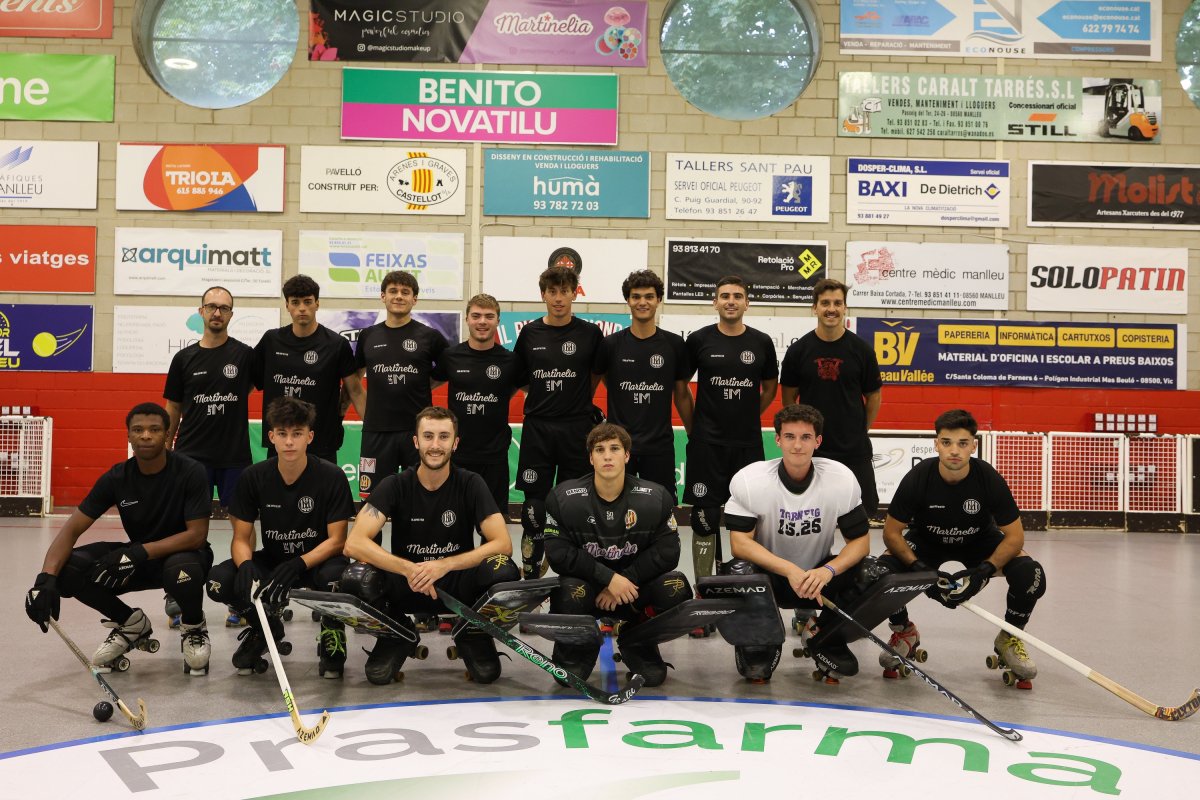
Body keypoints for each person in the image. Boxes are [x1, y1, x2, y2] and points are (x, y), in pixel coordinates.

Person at [24, 403, 214, 675]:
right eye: (138, 430)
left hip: (184, 556)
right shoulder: (116, 477)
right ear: (128, 435)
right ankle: (130, 622)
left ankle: (194, 627)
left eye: (154, 430)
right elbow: (71, 530)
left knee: (184, 570)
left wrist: (138, 553)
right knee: (67, 571)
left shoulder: (190, 471)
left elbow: (196, 536)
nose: (146, 435)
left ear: (168, 434)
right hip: (139, 558)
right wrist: (45, 579)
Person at [341, 406, 520, 685]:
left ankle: (472, 633)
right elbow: (353, 544)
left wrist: (444, 565)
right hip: (408, 582)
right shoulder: (395, 484)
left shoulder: (471, 483)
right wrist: (408, 569)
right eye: (428, 436)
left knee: (503, 570)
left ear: (455, 443)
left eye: (443, 437)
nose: (435, 445)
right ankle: (397, 633)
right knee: (354, 578)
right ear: (416, 442)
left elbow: (503, 543)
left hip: (455, 585)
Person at [877, 409, 1047, 685]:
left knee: (1032, 576)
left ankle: (1010, 635)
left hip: (978, 541)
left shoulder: (987, 478)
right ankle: (903, 630)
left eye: (962, 443)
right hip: (927, 542)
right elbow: (892, 534)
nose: (954, 450)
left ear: (974, 446)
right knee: (878, 572)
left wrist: (982, 572)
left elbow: (1015, 536)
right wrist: (921, 571)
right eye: (946, 442)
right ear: (936, 444)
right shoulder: (919, 477)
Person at [206, 397, 355, 677]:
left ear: (309, 437)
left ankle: (331, 632)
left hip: (317, 562)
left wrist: (299, 563)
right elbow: (240, 538)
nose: (289, 442)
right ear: (271, 436)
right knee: (218, 581)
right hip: (273, 560)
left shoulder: (331, 476)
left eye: (297, 434)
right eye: (283, 434)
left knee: (339, 578)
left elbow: (337, 540)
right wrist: (245, 565)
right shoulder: (254, 477)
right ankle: (265, 628)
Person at [723, 404, 872, 680]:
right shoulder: (750, 480)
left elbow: (861, 543)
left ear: (818, 441)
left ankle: (826, 634)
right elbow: (740, 544)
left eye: (806, 437)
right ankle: (760, 641)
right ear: (777, 439)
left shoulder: (841, 479)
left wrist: (828, 571)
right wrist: (789, 570)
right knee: (738, 571)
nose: (797, 445)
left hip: (818, 578)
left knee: (870, 571)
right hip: (773, 578)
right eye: (790, 436)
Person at [543, 423, 689, 686]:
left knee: (676, 586)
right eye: (599, 450)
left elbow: (669, 552)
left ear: (627, 455)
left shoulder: (655, 497)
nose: (607, 456)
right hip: (586, 590)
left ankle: (638, 640)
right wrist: (609, 578)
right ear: (590, 458)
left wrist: (625, 579)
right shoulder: (564, 497)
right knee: (567, 591)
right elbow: (558, 554)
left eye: (614, 449)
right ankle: (579, 645)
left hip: (633, 591)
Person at [163, 286, 257, 629]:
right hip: (191, 457)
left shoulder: (245, 356)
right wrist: (166, 451)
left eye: (224, 308)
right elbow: (173, 408)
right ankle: (179, 592)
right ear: (200, 311)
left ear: (231, 315)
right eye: (211, 307)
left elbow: (250, 388)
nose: (217, 313)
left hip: (234, 457)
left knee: (243, 527)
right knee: (188, 530)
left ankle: (244, 597)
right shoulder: (183, 359)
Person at [683, 275, 778, 590]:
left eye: (738, 296)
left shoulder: (761, 342)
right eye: (724, 296)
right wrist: (695, 429)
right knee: (704, 518)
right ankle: (703, 590)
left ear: (747, 303)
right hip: (707, 444)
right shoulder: (698, 340)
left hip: (747, 445)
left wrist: (748, 415)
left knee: (751, 519)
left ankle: (749, 585)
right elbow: (680, 389)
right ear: (715, 302)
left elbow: (769, 388)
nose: (731, 301)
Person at [513, 265, 604, 579]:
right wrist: (544, 394)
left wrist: (577, 399)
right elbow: (521, 378)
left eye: (565, 291)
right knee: (533, 509)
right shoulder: (529, 333)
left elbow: (594, 375)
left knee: (574, 508)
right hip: (538, 428)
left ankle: (573, 580)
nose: (559, 298)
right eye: (552, 291)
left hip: (576, 429)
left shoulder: (590, 334)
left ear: (574, 293)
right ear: (543, 295)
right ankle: (530, 576)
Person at [780, 278, 883, 516]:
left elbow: (874, 396)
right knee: (808, 513)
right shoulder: (798, 351)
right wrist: (802, 434)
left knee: (863, 513)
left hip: (853, 448)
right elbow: (788, 400)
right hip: (811, 449)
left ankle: (856, 556)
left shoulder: (862, 350)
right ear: (814, 308)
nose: (831, 309)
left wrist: (860, 429)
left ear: (845, 307)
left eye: (838, 303)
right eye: (825, 303)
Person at [596, 269, 693, 498]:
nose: (642, 302)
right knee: (614, 507)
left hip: (659, 446)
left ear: (658, 300)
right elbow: (601, 383)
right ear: (628, 301)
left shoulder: (674, 344)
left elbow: (682, 393)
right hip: (619, 446)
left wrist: (693, 433)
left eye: (649, 296)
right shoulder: (610, 345)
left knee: (662, 509)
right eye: (636, 296)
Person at [354, 270, 448, 498]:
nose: (399, 296)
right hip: (376, 433)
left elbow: (444, 373)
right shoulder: (368, 335)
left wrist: (421, 385)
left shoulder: (430, 336)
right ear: (382, 296)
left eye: (405, 292)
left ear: (414, 299)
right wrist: (367, 415)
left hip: (417, 432)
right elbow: (355, 379)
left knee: (420, 499)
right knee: (372, 502)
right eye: (393, 291)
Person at [253, 274, 364, 464]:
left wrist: (374, 431)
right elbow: (249, 382)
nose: (302, 308)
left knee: (322, 494)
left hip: (323, 443)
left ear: (317, 304)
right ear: (287, 305)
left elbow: (354, 390)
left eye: (307, 302)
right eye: (295, 302)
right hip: (281, 441)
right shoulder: (271, 341)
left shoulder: (336, 345)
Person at [431, 293, 518, 512]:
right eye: (476, 315)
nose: (482, 322)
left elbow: (524, 389)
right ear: (467, 319)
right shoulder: (451, 356)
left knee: (493, 522)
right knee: (453, 519)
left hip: (494, 457)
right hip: (457, 455)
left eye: (489, 316)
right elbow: (425, 385)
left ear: (498, 320)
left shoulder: (510, 360)